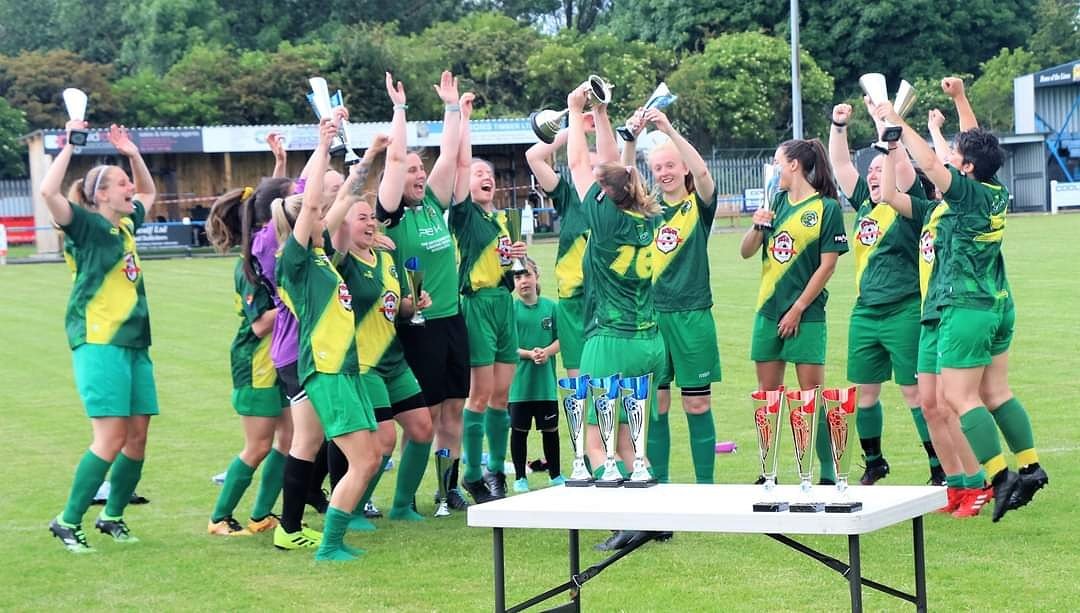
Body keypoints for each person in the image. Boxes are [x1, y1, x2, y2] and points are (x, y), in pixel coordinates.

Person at [873, 78, 1048, 522]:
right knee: (993, 391)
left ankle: (998, 476)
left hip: (965, 307)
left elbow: (934, 164)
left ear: (966, 168)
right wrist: (951, 105)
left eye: (957, 156)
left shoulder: (965, 196)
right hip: (991, 303)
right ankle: (1030, 466)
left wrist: (899, 121)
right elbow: (906, 189)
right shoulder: (990, 191)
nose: (949, 157)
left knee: (959, 397)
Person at [41, 121, 159, 552]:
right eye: (121, 184)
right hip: (99, 341)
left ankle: (113, 517)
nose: (131, 188)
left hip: (133, 344)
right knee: (110, 438)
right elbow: (49, 194)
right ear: (100, 195)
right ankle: (68, 521)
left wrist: (132, 154)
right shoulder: (85, 226)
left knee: (138, 436)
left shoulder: (126, 225)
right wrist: (71, 144)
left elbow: (148, 194)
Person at [274, 116, 381, 560]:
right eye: (318, 212)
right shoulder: (295, 261)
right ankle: (330, 544)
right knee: (365, 460)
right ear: (306, 222)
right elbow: (316, 196)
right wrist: (322, 145)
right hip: (328, 370)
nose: (325, 213)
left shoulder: (321, 255)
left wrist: (372, 157)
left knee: (368, 455)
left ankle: (324, 536)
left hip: (345, 370)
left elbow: (350, 194)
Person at [566, 84, 666, 551]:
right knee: (631, 434)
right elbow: (619, 172)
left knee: (595, 434)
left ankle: (631, 518)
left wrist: (573, 112)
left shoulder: (603, 222)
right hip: (649, 339)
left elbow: (579, 165)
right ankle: (649, 512)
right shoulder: (647, 219)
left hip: (611, 338)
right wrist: (608, 120)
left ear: (606, 195)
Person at [828, 101, 943, 486]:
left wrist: (889, 131)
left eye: (880, 170)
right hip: (865, 312)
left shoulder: (912, 207)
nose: (873, 175)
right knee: (863, 395)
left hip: (904, 310)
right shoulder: (864, 202)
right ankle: (875, 461)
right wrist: (838, 126)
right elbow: (842, 166)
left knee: (913, 392)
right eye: (872, 171)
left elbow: (905, 170)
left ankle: (937, 465)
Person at [878, 132, 992, 518]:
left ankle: (979, 483)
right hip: (929, 315)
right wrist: (892, 148)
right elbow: (890, 197)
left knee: (949, 404)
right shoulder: (930, 210)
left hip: (954, 310)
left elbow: (934, 162)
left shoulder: (963, 207)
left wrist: (901, 126)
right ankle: (955, 484)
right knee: (929, 406)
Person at [376, 71, 473, 515]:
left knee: (454, 411)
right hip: (418, 325)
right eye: (413, 170)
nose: (419, 175)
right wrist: (400, 110)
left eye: (421, 169)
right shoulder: (393, 215)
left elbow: (450, 157)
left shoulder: (433, 204)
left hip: (453, 320)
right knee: (428, 415)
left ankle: (446, 489)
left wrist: (452, 109)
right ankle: (402, 502)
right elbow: (394, 161)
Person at [324, 166, 436, 526]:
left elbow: (399, 308)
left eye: (372, 217)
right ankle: (356, 508)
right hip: (364, 364)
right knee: (384, 440)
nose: (370, 223)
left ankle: (403, 505)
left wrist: (413, 304)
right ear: (344, 225)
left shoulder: (388, 259)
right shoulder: (340, 261)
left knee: (422, 429)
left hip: (394, 361)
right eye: (361, 218)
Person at [739, 138, 848, 485]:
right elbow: (745, 251)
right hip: (768, 312)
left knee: (810, 397)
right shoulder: (774, 202)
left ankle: (828, 473)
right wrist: (757, 224)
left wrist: (799, 308)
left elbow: (827, 266)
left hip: (808, 316)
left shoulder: (826, 208)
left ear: (794, 165)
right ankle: (767, 472)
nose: (774, 168)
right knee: (768, 397)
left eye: (776, 161)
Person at [621, 108, 722, 485]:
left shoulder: (699, 206)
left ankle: (705, 489)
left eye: (669, 165)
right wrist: (630, 141)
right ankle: (658, 486)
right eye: (657, 166)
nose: (663, 172)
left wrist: (668, 130)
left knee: (696, 404)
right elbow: (623, 182)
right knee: (657, 407)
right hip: (652, 321)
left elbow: (705, 175)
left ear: (682, 169)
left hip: (693, 316)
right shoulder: (646, 211)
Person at [450, 92, 529, 502]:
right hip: (476, 305)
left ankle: (497, 471)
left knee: (502, 395)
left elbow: (514, 269)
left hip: (504, 304)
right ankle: (472, 472)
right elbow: (461, 162)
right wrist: (462, 119)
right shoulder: (463, 215)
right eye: (479, 173)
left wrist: (518, 259)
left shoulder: (501, 221)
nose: (486, 177)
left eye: (491, 175)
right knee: (478, 394)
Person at [204, 187, 293, 535]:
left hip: (279, 359)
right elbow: (258, 326)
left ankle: (261, 515)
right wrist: (292, 301)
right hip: (255, 363)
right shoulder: (250, 265)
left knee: (289, 441)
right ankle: (219, 517)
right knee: (257, 446)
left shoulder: (271, 253)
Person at [524, 119, 596, 380]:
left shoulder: (616, 203)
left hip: (606, 303)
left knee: (608, 392)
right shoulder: (569, 198)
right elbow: (533, 156)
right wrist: (576, 125)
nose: (591, 169)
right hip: (572, 305)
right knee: (580, 390)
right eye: (588, 162)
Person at [508, 258, 563, 493]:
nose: (523, 281)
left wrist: (546, 352)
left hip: (545, 385)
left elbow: (562, 339)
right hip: (519, 386)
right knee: (519, 431)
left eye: (527, 275)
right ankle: (521, 477)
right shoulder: (510, 309)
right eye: (518, 277)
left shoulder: (551, 307)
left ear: (536, 276)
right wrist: (529, 354)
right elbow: (506, 344)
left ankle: (556, 475)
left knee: (550, 430)